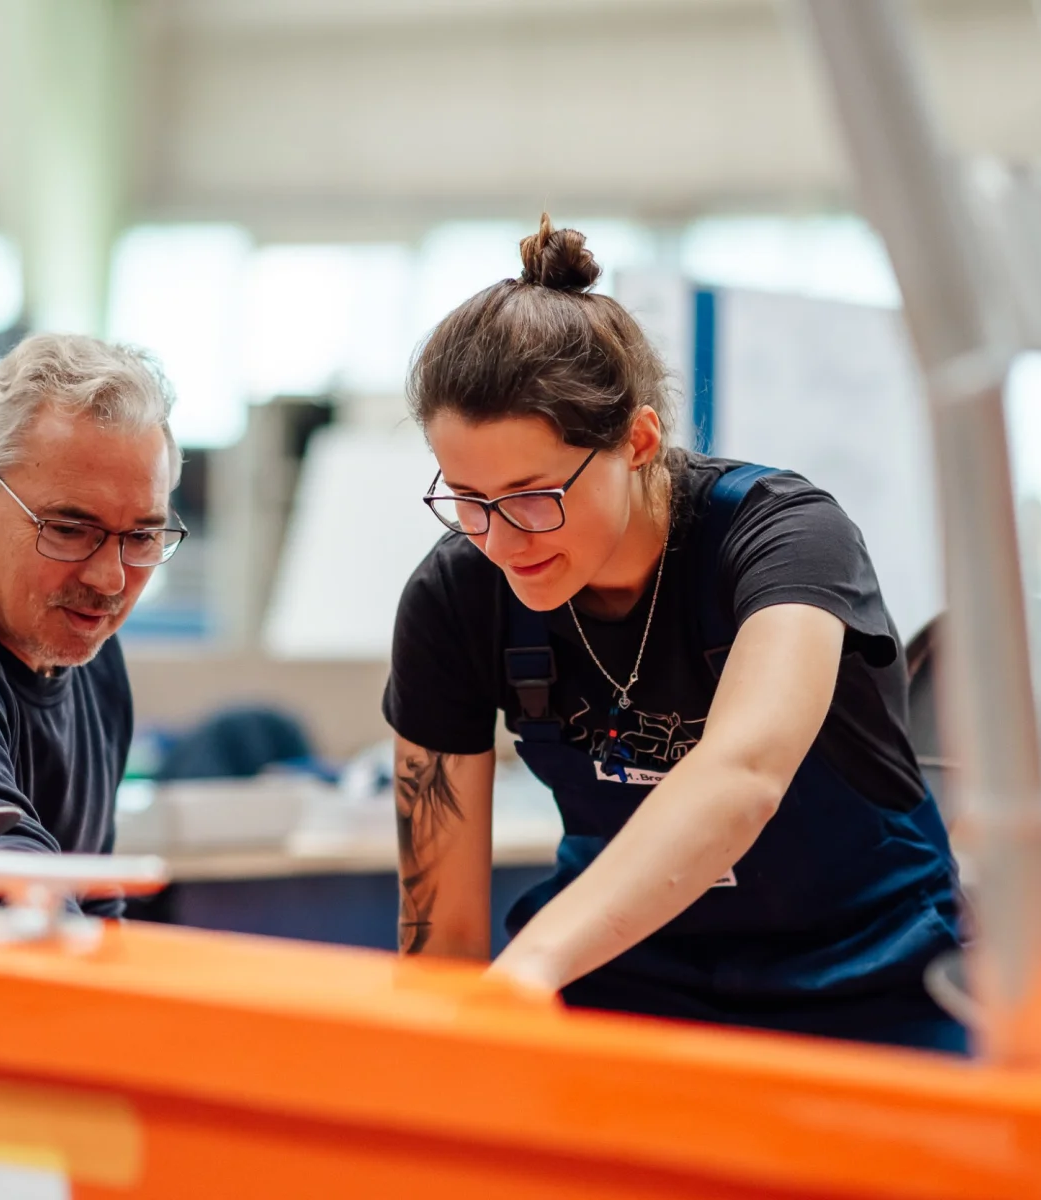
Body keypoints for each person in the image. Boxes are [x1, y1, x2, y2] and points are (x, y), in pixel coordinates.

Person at [384, 215, 967, 1052]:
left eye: (533, 497)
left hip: (869, 979)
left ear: (638, 440)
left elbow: (743, 774)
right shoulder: (455, 596)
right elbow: (441, 938)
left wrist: (528, 968)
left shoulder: (787, 539)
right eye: (468, 501)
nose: (501, 542)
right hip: (623, 978)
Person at [0, 333, 186, 916]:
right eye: (69, 529)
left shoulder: (86, 651)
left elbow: (90, 904)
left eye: (142, 536)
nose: (110, 579)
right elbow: (3, 879)